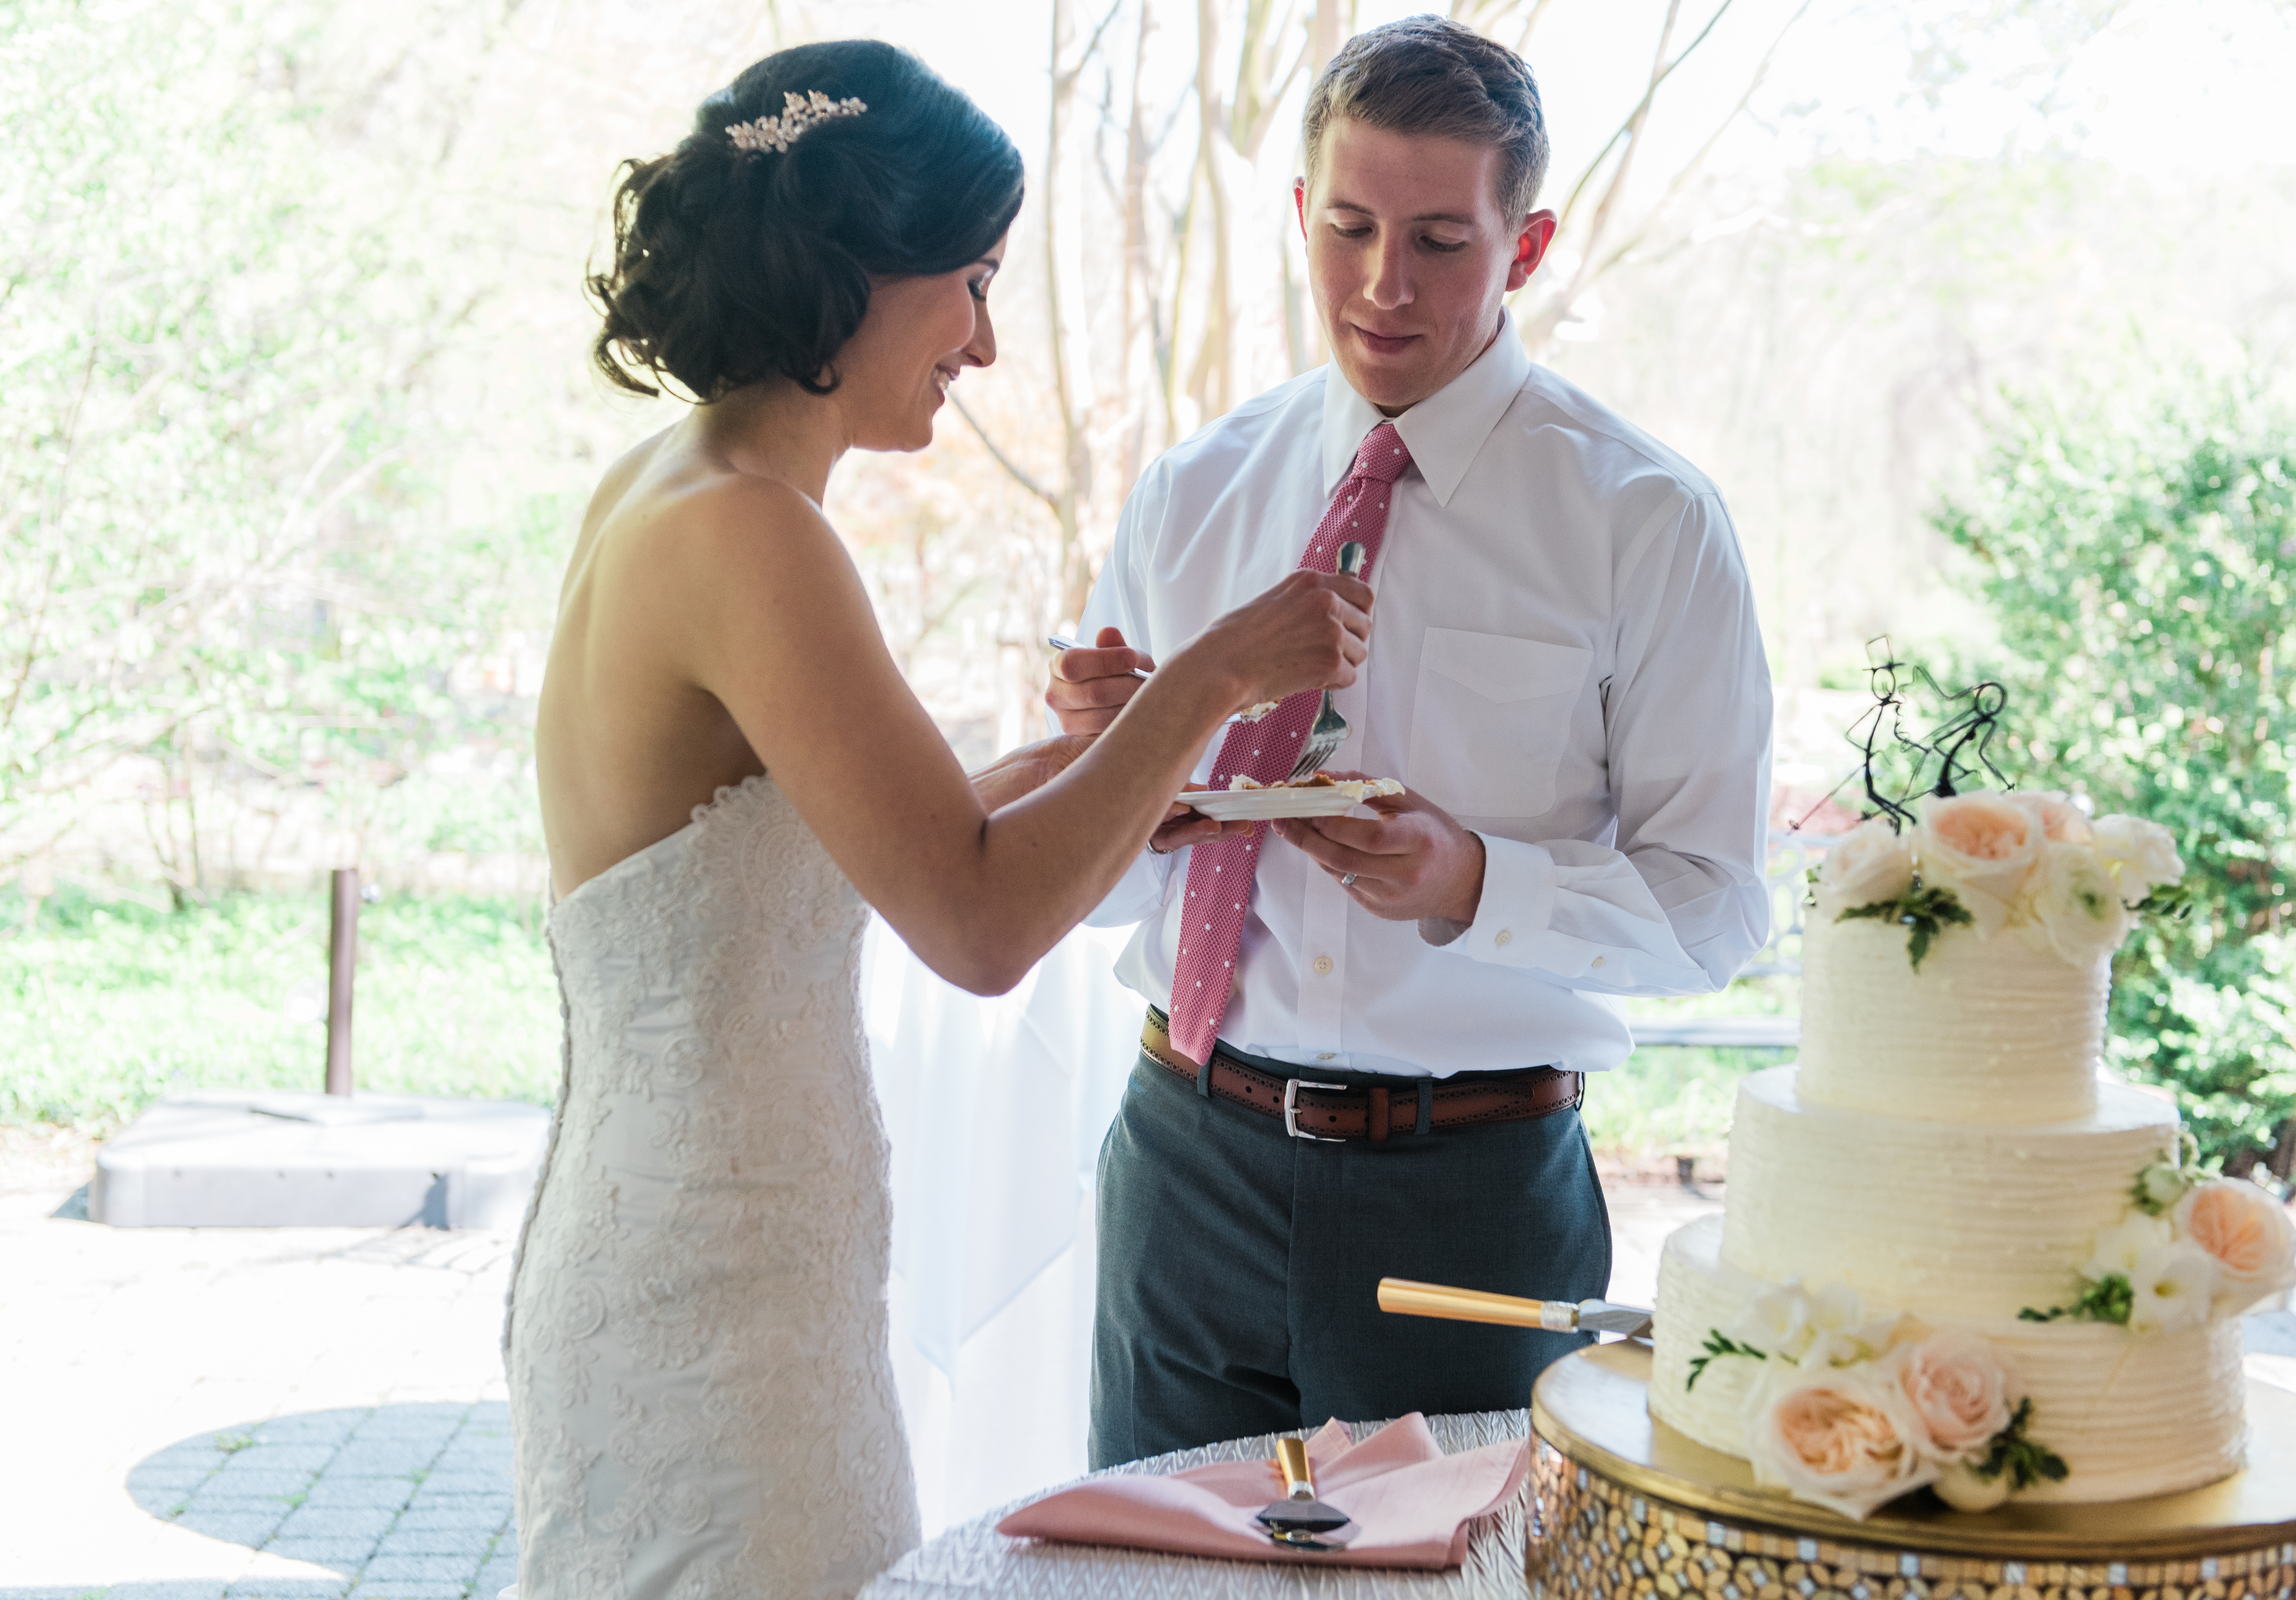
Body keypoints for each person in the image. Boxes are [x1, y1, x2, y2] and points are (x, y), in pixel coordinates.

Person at [510, 40, 1373, 1599]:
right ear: (857, 271)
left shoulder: (674, 482)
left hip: (710, 1240)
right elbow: (975, 924)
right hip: (715, 1297)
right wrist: (1217, 668)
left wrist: (1094, 774)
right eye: (970, 282)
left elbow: (799, 846)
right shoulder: (752, 533)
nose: (980, 342)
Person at [1050, 16, 1774, 1467]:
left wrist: (1472, 884)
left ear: (1532, 241)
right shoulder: (1190, 495)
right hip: (1186, 1164)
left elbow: (1719, 907)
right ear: (1299, 217)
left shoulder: (1647, 522)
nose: (1386, 286)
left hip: (1476, 1192)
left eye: (1443, 238)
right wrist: (1105, 775)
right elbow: (1104, 890)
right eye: (1351, 227)